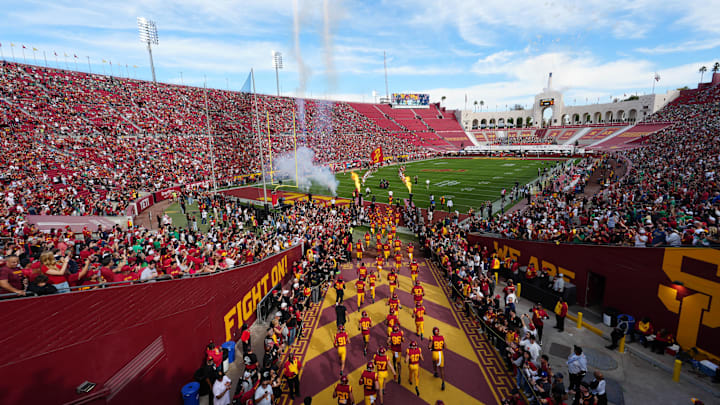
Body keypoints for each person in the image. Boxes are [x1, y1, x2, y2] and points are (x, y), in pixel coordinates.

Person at [429, 326, 446, 391]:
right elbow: (445, 347)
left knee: (434, 362)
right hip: (440, 353)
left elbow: (429, 346)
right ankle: (443, 382)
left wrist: (431, 348)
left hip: (435, 353)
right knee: (441, 369)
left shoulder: (432, 337)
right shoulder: (442, 337)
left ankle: (435, 372)